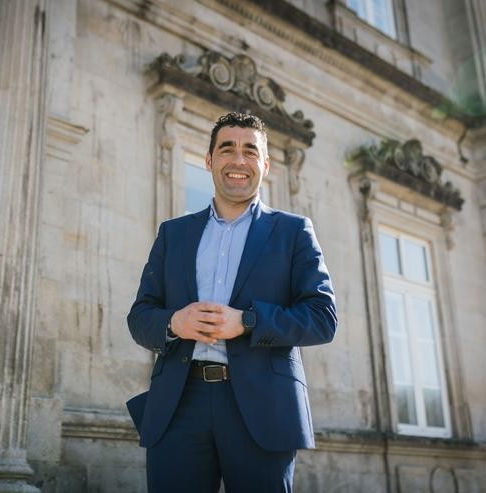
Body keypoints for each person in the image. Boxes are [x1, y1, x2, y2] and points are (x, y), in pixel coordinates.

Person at [127, 112, 337, 492]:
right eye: (227, 149)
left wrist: (249, 321)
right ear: (209, 161)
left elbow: (323, 318)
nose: (239, 160)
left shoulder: (293, 232)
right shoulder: (173, 234)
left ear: (265, 165)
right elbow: (140, 316)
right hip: (179, 405)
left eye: (250, 151)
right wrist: (175, 323)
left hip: (262, 408)